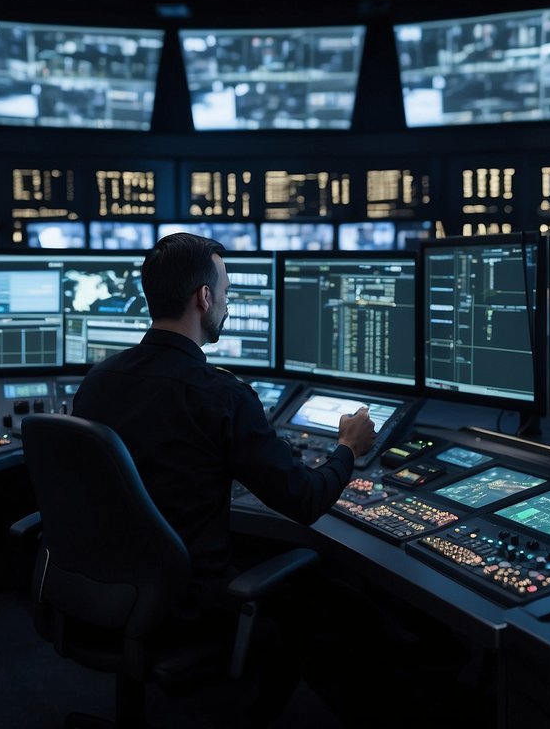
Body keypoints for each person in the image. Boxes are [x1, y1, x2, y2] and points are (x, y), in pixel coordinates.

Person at [70, 232, 378, 722]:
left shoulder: (98, 380)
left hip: (98, 592)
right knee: (320, 596)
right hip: (186, 608)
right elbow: (304, 500)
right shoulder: (222, 396)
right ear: (204, 297)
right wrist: (347, 449)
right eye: (228, 292)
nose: (229, 304)